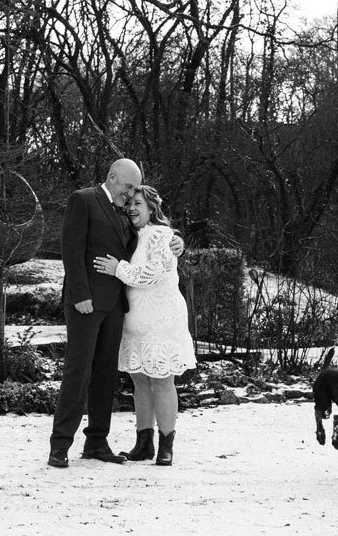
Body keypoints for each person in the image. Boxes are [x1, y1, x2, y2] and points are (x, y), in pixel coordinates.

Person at [48, 158, 182, 468]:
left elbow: (152, 240)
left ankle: (97, 440)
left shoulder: (126, 213)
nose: (131, 194)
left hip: (116, 306)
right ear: (112, 176)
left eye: (135, 190)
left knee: (106, 375)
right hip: (86, 303)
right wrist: (80, 294)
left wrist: (177, 242)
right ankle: (59, 444)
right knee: (78, 371)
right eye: (128, 186)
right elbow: (71, 248)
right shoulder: (83, 199)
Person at [94, 184, 197, 466]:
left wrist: (119, 269)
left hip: (162, 318)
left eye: (138, 203)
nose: (132, 208)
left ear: (152, 208)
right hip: (135, 318)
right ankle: (143, 443)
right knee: (139, 379)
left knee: (162, 380)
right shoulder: (130, 235)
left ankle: (166, 445)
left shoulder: (161, 235)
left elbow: (154, 274)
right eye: (130, 204)